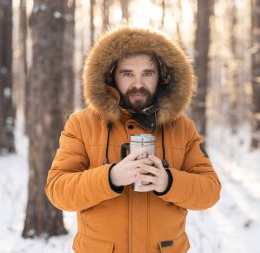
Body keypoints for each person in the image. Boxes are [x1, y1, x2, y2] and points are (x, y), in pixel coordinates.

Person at [45, 26, 221, 253]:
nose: (138, 84)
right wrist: (110, 177)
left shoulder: (183, 128)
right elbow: (58, 190)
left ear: (162, 76)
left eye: (147, 73)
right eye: (127, 73)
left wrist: (168, 182)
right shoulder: (82, 124)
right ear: (111, 76)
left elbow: (210, 191)